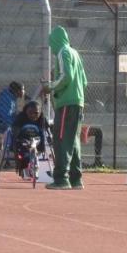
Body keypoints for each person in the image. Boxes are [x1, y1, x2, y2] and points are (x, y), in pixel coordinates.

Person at [40, 26, 87, 190]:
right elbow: (84, 81)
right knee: (73, 141)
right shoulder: (76, 53)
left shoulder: (63, 52)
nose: (51, 48)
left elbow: (67, 76)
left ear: (56, 41)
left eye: (51, 44)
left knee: (60, 140)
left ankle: (61, 179)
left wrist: (51, 87)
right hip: (78, 102)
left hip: (66, 104)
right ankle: (76, 179)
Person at [10, 100, 48, 178]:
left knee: (43, 137)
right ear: (26, 111)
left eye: (36, 113)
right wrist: (16, 154)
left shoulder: (42, 118)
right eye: (30, 112)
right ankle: (21, 166)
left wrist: (43, 148)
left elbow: (46, 130)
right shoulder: (21, 117)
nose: (33, 115)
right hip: (22, 138)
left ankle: (33, 166)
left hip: (36, 139)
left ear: (40, 112)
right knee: (23, 153)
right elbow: (15, 132)